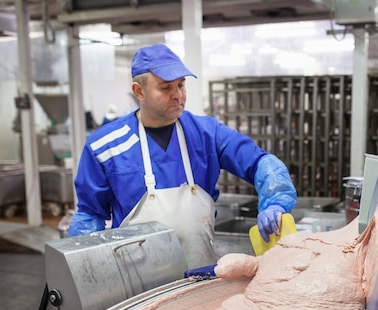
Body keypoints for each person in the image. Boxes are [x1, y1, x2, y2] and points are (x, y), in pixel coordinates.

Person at [69, 44, 297, 269]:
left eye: (181, 85)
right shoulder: (105, 146)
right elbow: (90, 216)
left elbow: (260, 162)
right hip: (135, 281)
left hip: (199, 274)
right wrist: (89, 272)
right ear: (139, 91)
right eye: (166, 87)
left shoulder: (208, 134)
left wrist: (275, 203)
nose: (178, 95)